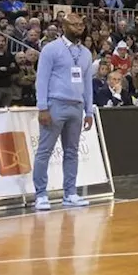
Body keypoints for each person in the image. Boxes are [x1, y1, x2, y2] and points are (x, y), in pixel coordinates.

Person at [32, 12, 95, 211]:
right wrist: (42, 107)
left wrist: (89, 110)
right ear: (64, 26)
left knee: (72, 152)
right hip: (55, 104)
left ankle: (70, 193)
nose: (79, 28)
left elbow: (87, 84)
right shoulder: (51, 49)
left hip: (76, 106)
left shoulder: (85, 53)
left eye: (81, 25)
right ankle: (41, 194)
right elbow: (41, 79)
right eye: (74, 25)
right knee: (44, 151)